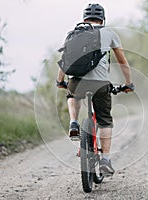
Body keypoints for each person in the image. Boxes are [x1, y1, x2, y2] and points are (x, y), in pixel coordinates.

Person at [56, 3, 135, 176]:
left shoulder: (73, 34)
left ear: (84, 19)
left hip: (77, 81)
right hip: (100, 84)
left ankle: (73, 123)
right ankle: (105, 159)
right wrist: (128, 83)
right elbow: (122, 61)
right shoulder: (110, 34)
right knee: (105, 119)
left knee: (72, 94)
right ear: (102, 19)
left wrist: (60, 81)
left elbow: (65, 60)